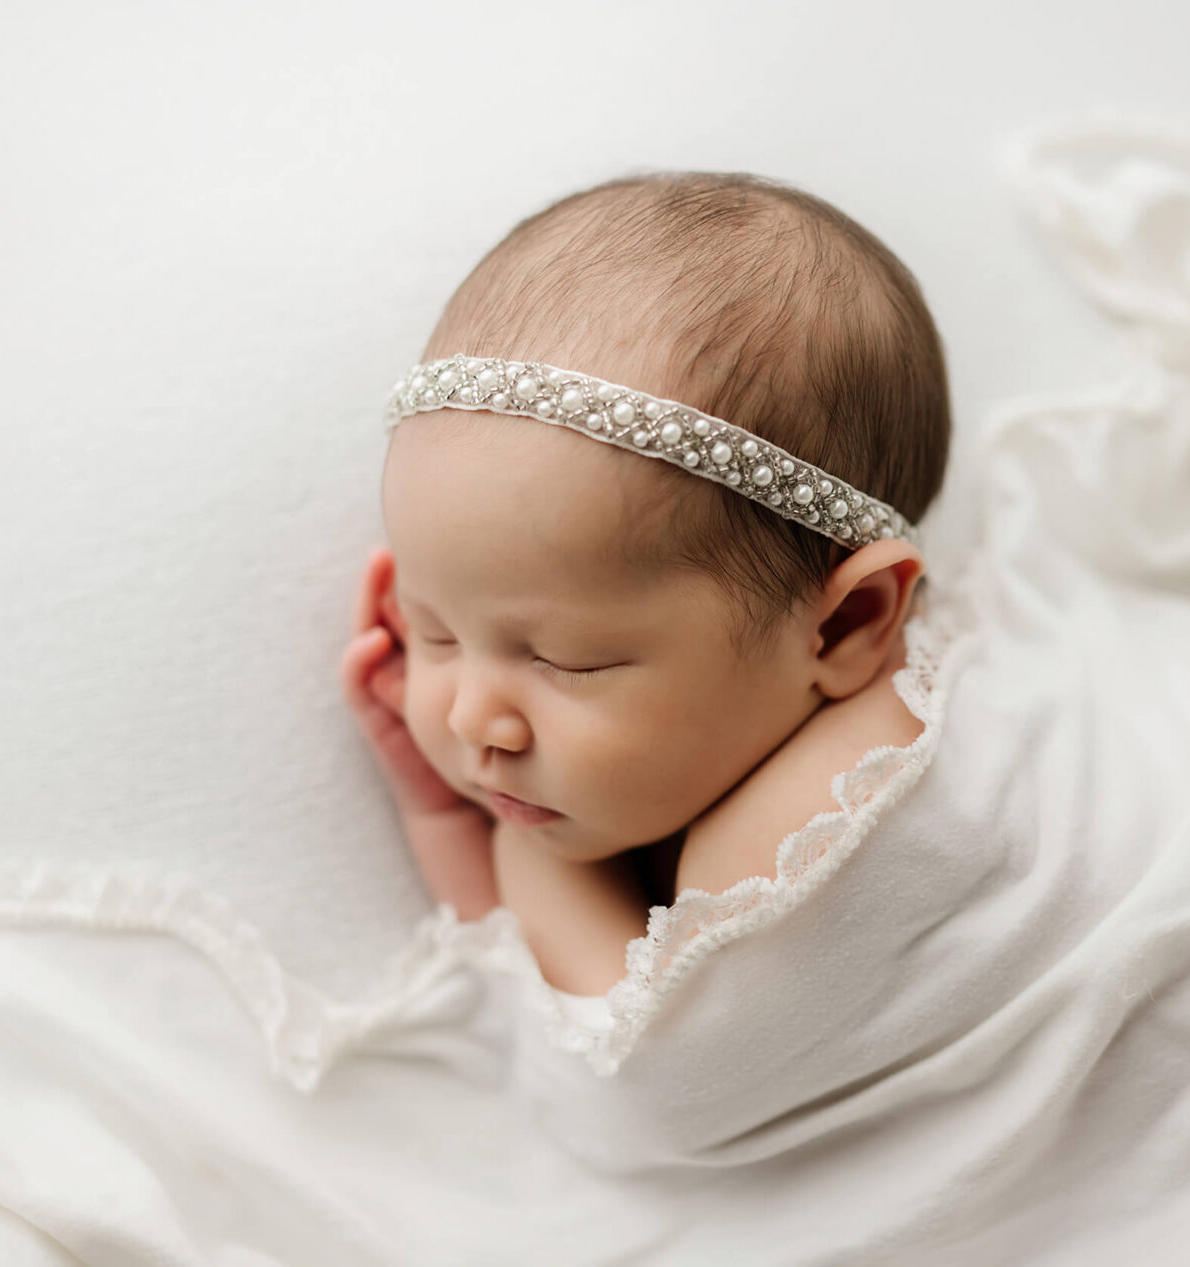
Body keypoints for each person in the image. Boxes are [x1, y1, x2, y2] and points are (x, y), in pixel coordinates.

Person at [339, 171, 950, 996]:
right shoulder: (695, 753)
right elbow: (522, 983)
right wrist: (441, 811)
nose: (468, 715)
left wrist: (518, 849)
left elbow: (633, 1060)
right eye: (435, 631)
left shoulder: (824, 814)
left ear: (846, 625)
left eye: (567, 659)